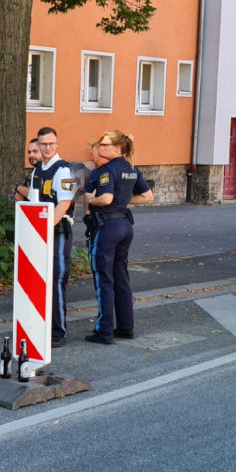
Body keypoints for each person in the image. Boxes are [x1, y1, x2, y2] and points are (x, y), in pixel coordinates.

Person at [83, 130, 153, 343]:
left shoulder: (107, 170)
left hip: (107, 228)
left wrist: (90, 199)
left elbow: (105, 199)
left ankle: (104, 331)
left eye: (105, 145)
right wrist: (122, 201)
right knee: (121, 278)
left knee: (104, 279)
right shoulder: (131, 168)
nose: (100, 147)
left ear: (117, 148)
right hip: (125, 226)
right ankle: (125, 327)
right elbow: (147, 196)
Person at [27, 127, 76, 347]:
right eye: (43, 144)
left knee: (56, 280)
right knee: (39, 282)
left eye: (51, 144)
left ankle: (58, 332)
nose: (47, 148)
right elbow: (32, 203)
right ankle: (40, 327)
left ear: (57, 144)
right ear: (38, 145)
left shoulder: (64, 170)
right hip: (39, 235)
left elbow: (64, 204)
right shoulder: (37, 171)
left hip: (57, 234)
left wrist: (44, 230)